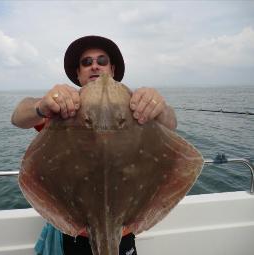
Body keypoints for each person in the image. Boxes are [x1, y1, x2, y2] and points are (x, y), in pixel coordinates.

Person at [11, 35, 177, 255]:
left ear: (112, 69)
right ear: (78, 74)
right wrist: (41, 106)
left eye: (102, 61)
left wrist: (160, 106)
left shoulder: (138, 107)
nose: (95, 66)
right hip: (73, 234)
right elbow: (18, 116)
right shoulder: (63, 108)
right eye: (86, 62)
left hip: (124, 231)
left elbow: (171, 124)